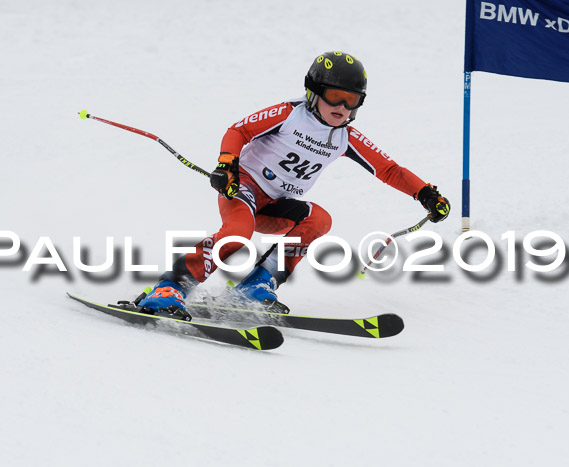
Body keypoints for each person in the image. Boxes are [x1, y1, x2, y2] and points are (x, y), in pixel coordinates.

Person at [139, 51, 450, 314]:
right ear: (314, 92)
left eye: (352, 100)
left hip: (276, 206)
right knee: (237, 234)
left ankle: (257, 285)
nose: (342, 107)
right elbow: (238, 131)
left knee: (319, 219)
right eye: (334, 96)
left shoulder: (346, 138)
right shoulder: (289, 114)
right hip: (243, 188)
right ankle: (169, 287)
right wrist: (226, 165)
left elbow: (390, 170)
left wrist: (425, 194)